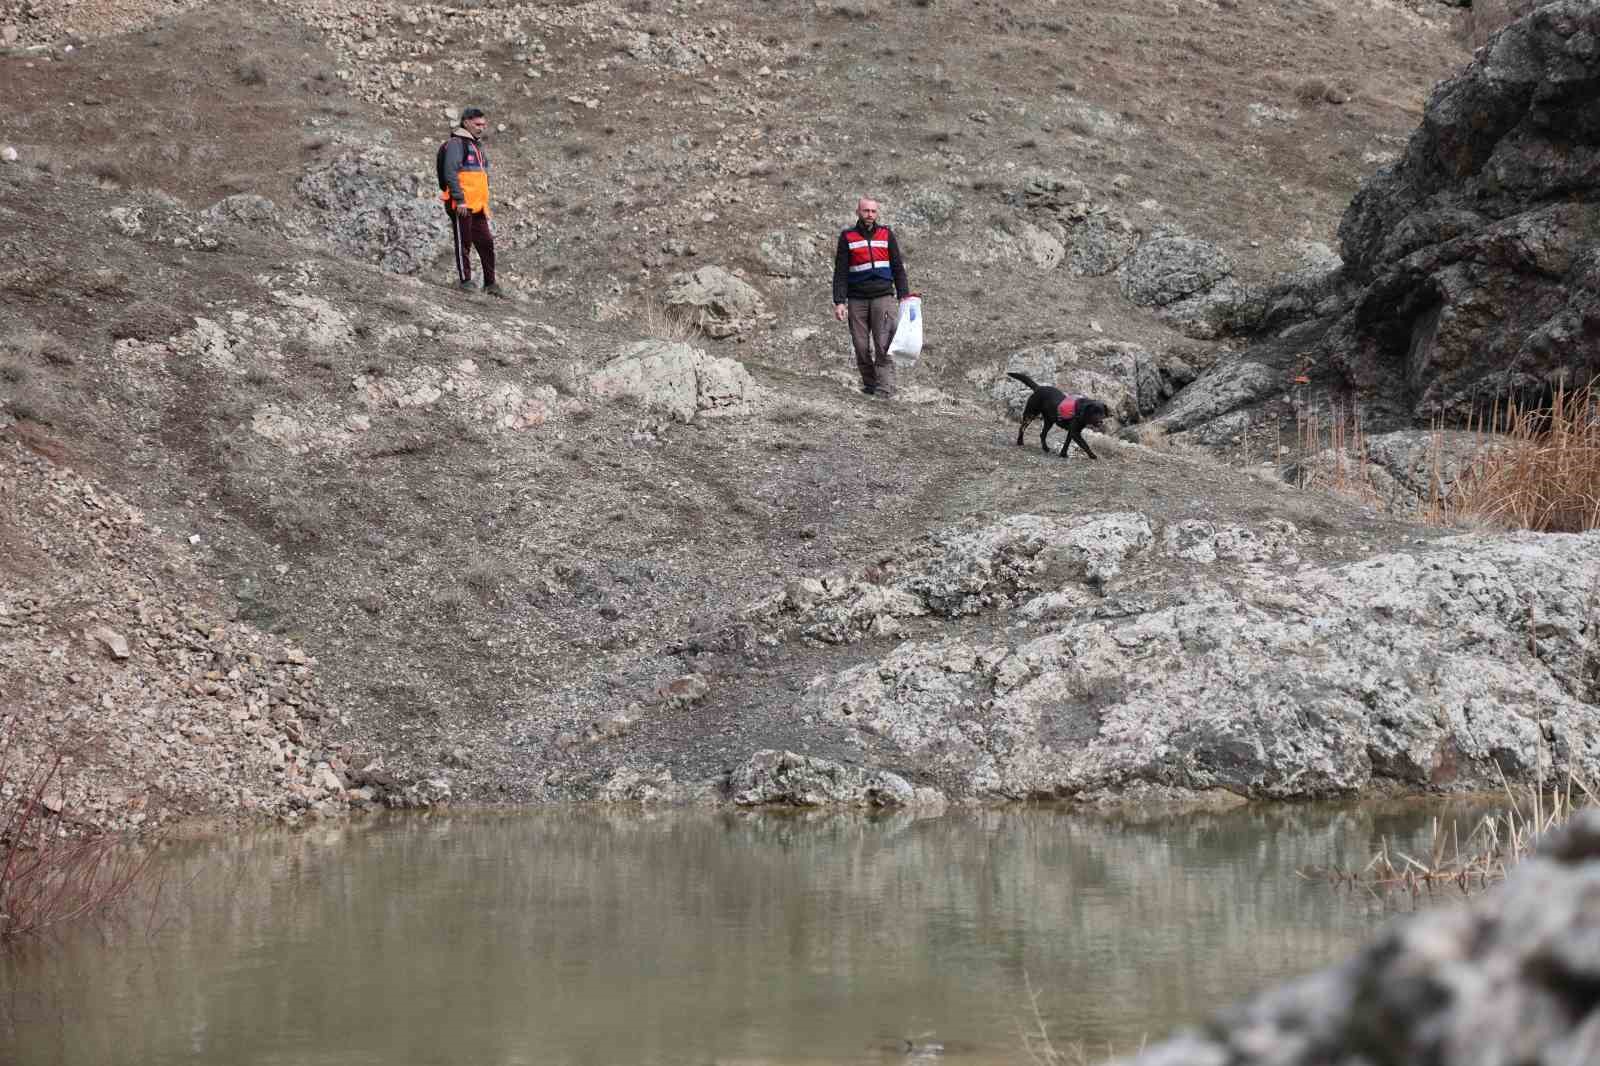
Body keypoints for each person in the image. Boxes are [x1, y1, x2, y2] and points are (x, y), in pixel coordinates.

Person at [831, 197, 910, 398]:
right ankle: (871, 385)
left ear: (877, 213)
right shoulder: (847, 237)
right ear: (858, 211)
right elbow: (840, 272)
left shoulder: (886, 234)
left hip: (883, 298)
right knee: (861, 346)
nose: (870, 215)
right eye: (866, 211)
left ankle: (885, 390)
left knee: (884, 345)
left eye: (873, 211)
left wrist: (904, 296)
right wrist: (839, 301)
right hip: (857, 299)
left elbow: (898, 267)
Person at [437, 106, 504, 296]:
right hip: (462, 205)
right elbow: (450, 173)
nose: (481, 128)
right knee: (463, 243)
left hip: (478, 206)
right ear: (466, 122)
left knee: (486, 244)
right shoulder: (456, 144)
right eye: (477, 124)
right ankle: (465, 282)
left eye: (483, 124)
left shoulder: (477, 146)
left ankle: (490, 284)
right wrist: (459, 200)